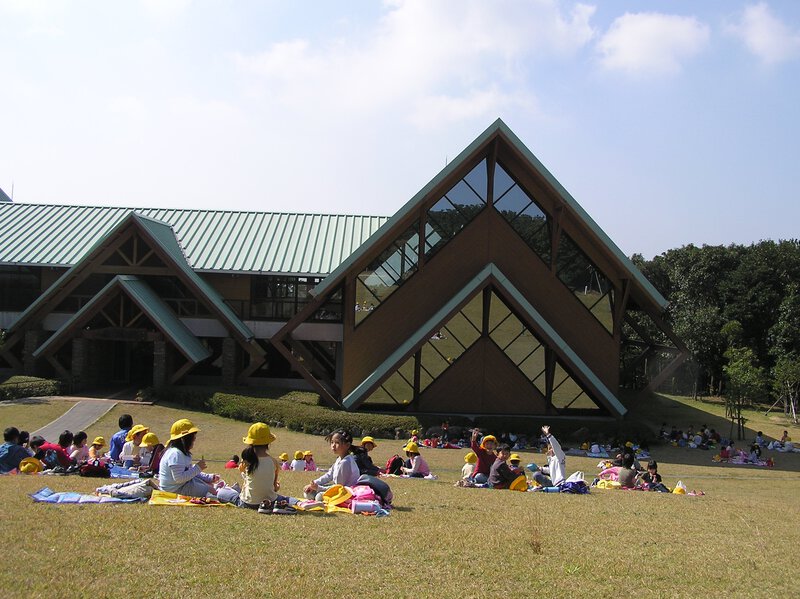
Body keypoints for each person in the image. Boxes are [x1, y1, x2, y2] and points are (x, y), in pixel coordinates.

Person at [158, 418, 228, 499]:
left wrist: (208, 477)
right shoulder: (175, 454)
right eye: (192, 438)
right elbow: (179, 478)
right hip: (174, 490)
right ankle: (223, 493)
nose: (194, 440)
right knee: (211, 490)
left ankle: (217, 489)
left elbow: (189, 471)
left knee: (210, 486)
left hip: (183, 484)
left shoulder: (180, 453)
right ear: (184, 439)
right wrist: (198, 468)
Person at [234, 423, 283, 511]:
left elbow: (245, 476)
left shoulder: (247, 460)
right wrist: (277, 487)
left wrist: (243, 468)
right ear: (268, 443)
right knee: (282, 498)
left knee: (223, 493)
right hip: (270, 502)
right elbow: (275, 487)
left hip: (249, 503)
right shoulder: (273, 461)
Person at [303, 429, 360, 500]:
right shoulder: (339, 459)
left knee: (318, 497)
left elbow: (339, 487)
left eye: (337, 443)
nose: (333, 445)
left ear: (347, 445)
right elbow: (329, 475)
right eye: (332, 442)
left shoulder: (346, 462)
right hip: (337, 489)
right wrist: (314, 483)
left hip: (345, 493)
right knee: (308, 493)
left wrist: (319, 488)